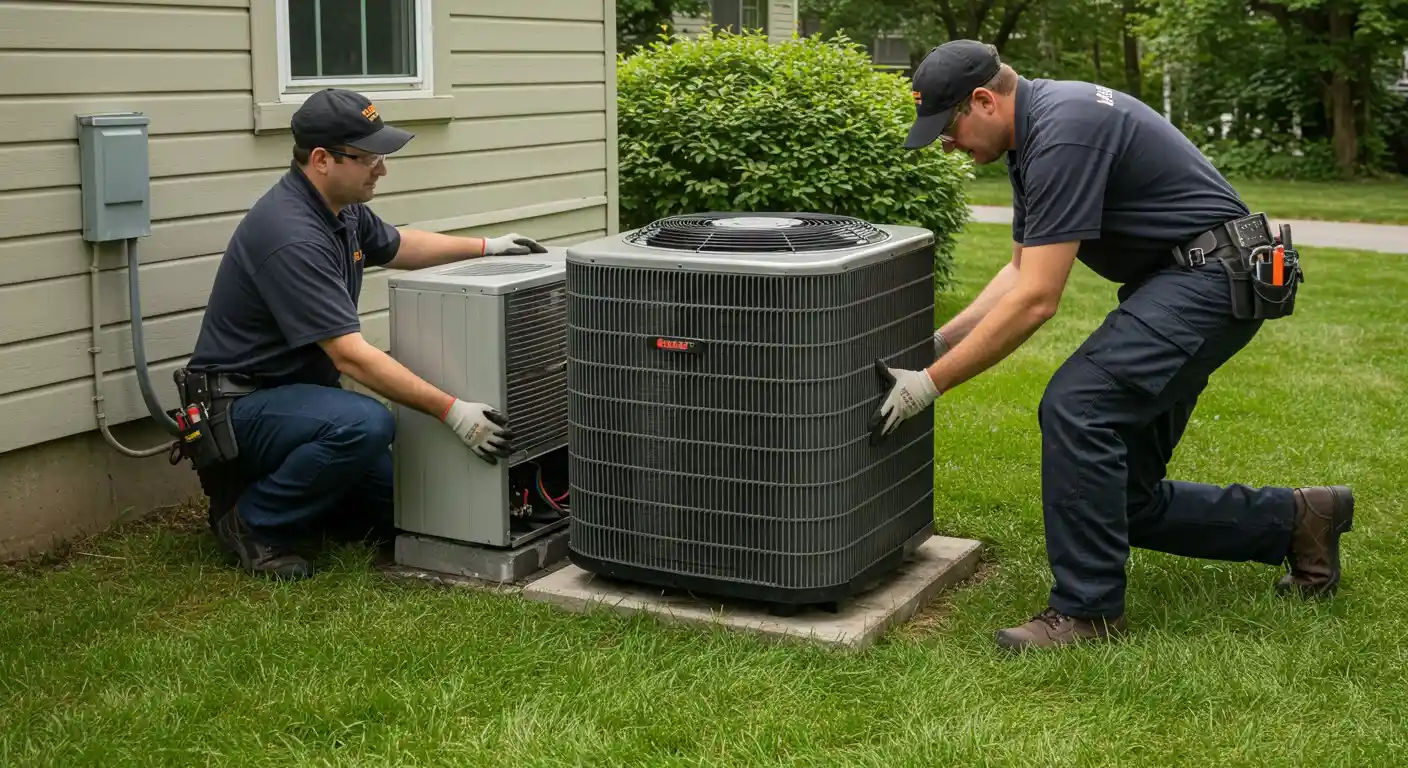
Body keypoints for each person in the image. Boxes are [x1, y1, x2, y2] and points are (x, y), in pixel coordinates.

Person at [868, 40, 1354, 651]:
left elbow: (1038, 299)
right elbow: (1018, 272)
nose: (947, 144)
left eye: (948, 127)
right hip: (1190, 279)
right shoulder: (1034, 135)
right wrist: (937, 341)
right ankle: (1302, 521)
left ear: (985, 101)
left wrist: (930, 384)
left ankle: (1087, 611)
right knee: (1122, 498)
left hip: (1209, 278)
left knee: (1080, 405)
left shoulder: (1065, 133)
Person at [178, 88, 547, 580]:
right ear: (322, 159)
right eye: (369, 157)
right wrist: (451, 411)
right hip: (243, 407)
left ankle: (312, 504)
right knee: (364, 424)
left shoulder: (339, 206)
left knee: (402, 507)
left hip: (297, 397)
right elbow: (351, 357)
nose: (382, 168)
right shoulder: (291, 234)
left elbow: (398, 244)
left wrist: (488, 247)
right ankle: (251, 522)